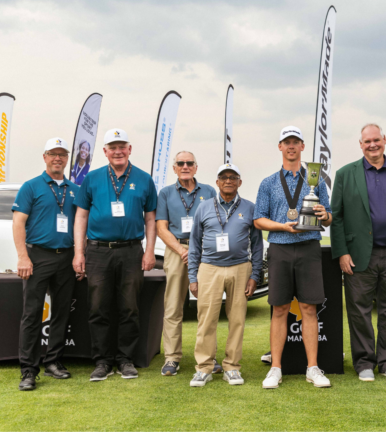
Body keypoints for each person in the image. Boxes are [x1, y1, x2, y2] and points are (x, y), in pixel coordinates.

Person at [331, 123, 386, 382]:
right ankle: (364, 363)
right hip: (358, 255)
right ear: (360, 144)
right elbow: (336, 217)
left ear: (384, 141)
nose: (372, 145)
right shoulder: (345, 174)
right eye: (367, 141)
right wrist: (342, 252)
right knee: (358, 311)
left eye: (376, 140)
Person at [72, 128, 158, 382]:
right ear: (105, 152)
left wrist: (150, 251)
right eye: (113, 147)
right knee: (99, 307)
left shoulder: (143, 179)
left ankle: (125, 359)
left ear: (130, 149)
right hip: (98, 251)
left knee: (129, 307)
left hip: (132, 251)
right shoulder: (92, 178)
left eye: (122, 146)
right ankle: (102, 361)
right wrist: (79, 252)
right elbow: (81, 216)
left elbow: (150, 218)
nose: (118, 151)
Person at [254, 126, 332, 389]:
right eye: (286, 142)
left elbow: (329, 216)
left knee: (309, 308)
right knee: (280, 309)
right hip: (280, 247)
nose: (291, 146)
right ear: (280, 147)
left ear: (301, 147)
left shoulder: (316, 180)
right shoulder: (268, 182)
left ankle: (313, 368)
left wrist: (323, 214)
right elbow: (258, 220)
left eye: (295, 142)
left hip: (309, 246)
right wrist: (282, 226)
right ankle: (276, 368)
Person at [187, 163, 263, 387]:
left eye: (233, 177)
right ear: (217, 182)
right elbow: (194, 244)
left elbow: (257, 245)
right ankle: (204, 367)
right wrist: (193, 276)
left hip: (241, 268)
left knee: (237, 319)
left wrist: (255, 275)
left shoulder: (250, 208)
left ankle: (232, 366)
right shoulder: (203, 207)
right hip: (209, 268)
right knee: (206, 319)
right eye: (223, 177)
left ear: (240, 182)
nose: (228, 180)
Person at [12, 138, 80, 391]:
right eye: (53, 154)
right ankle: (29, 370)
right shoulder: (31, 187)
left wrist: (78, 257)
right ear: (45, 157)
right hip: (38, 256)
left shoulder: (75, 189)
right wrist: (22, 256)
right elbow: (18, 223)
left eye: (62, 154)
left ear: (66, 159)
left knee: (62, 312)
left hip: (66, 257)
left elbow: (79, 224)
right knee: (32, 315)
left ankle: (53, 362)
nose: (58, 158)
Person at [156, 151, 221, 377]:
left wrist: (197, 250)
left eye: (189, 163)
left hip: (205, 252)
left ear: (196, 167)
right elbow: (161, 228)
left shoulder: (210, 191)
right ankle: (172, 358)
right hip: (176, 251)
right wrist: (182, 250)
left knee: (207, 307)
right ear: (174, 168)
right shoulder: (165, 193)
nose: (185, 166)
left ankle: (208, 358)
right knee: (173, 306)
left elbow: (217, 222)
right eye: (180, 163)